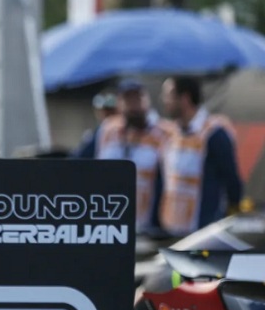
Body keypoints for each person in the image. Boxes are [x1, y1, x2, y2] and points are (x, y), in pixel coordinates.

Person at [73, 79, 167, 233]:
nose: (133, 105)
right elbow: (78, 162)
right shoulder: (108, 129)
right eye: (128, 99)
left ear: (146, 100)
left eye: (137, 98)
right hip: (106, 221)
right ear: (120, 103)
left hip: (148, 225)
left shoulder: (164, 133)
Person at [158, 75, 244, 237]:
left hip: (201, 233)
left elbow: (232, 181)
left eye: (169, 95)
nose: (164, 100)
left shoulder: (214, 133)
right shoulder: (171, 134)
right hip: (171, 231)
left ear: (184, 98)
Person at [71, 90, 118, 158]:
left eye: (110, 110)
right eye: (103, 110)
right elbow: (81, 155)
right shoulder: (97, 131)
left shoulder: (124, 128)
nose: (106, 113)